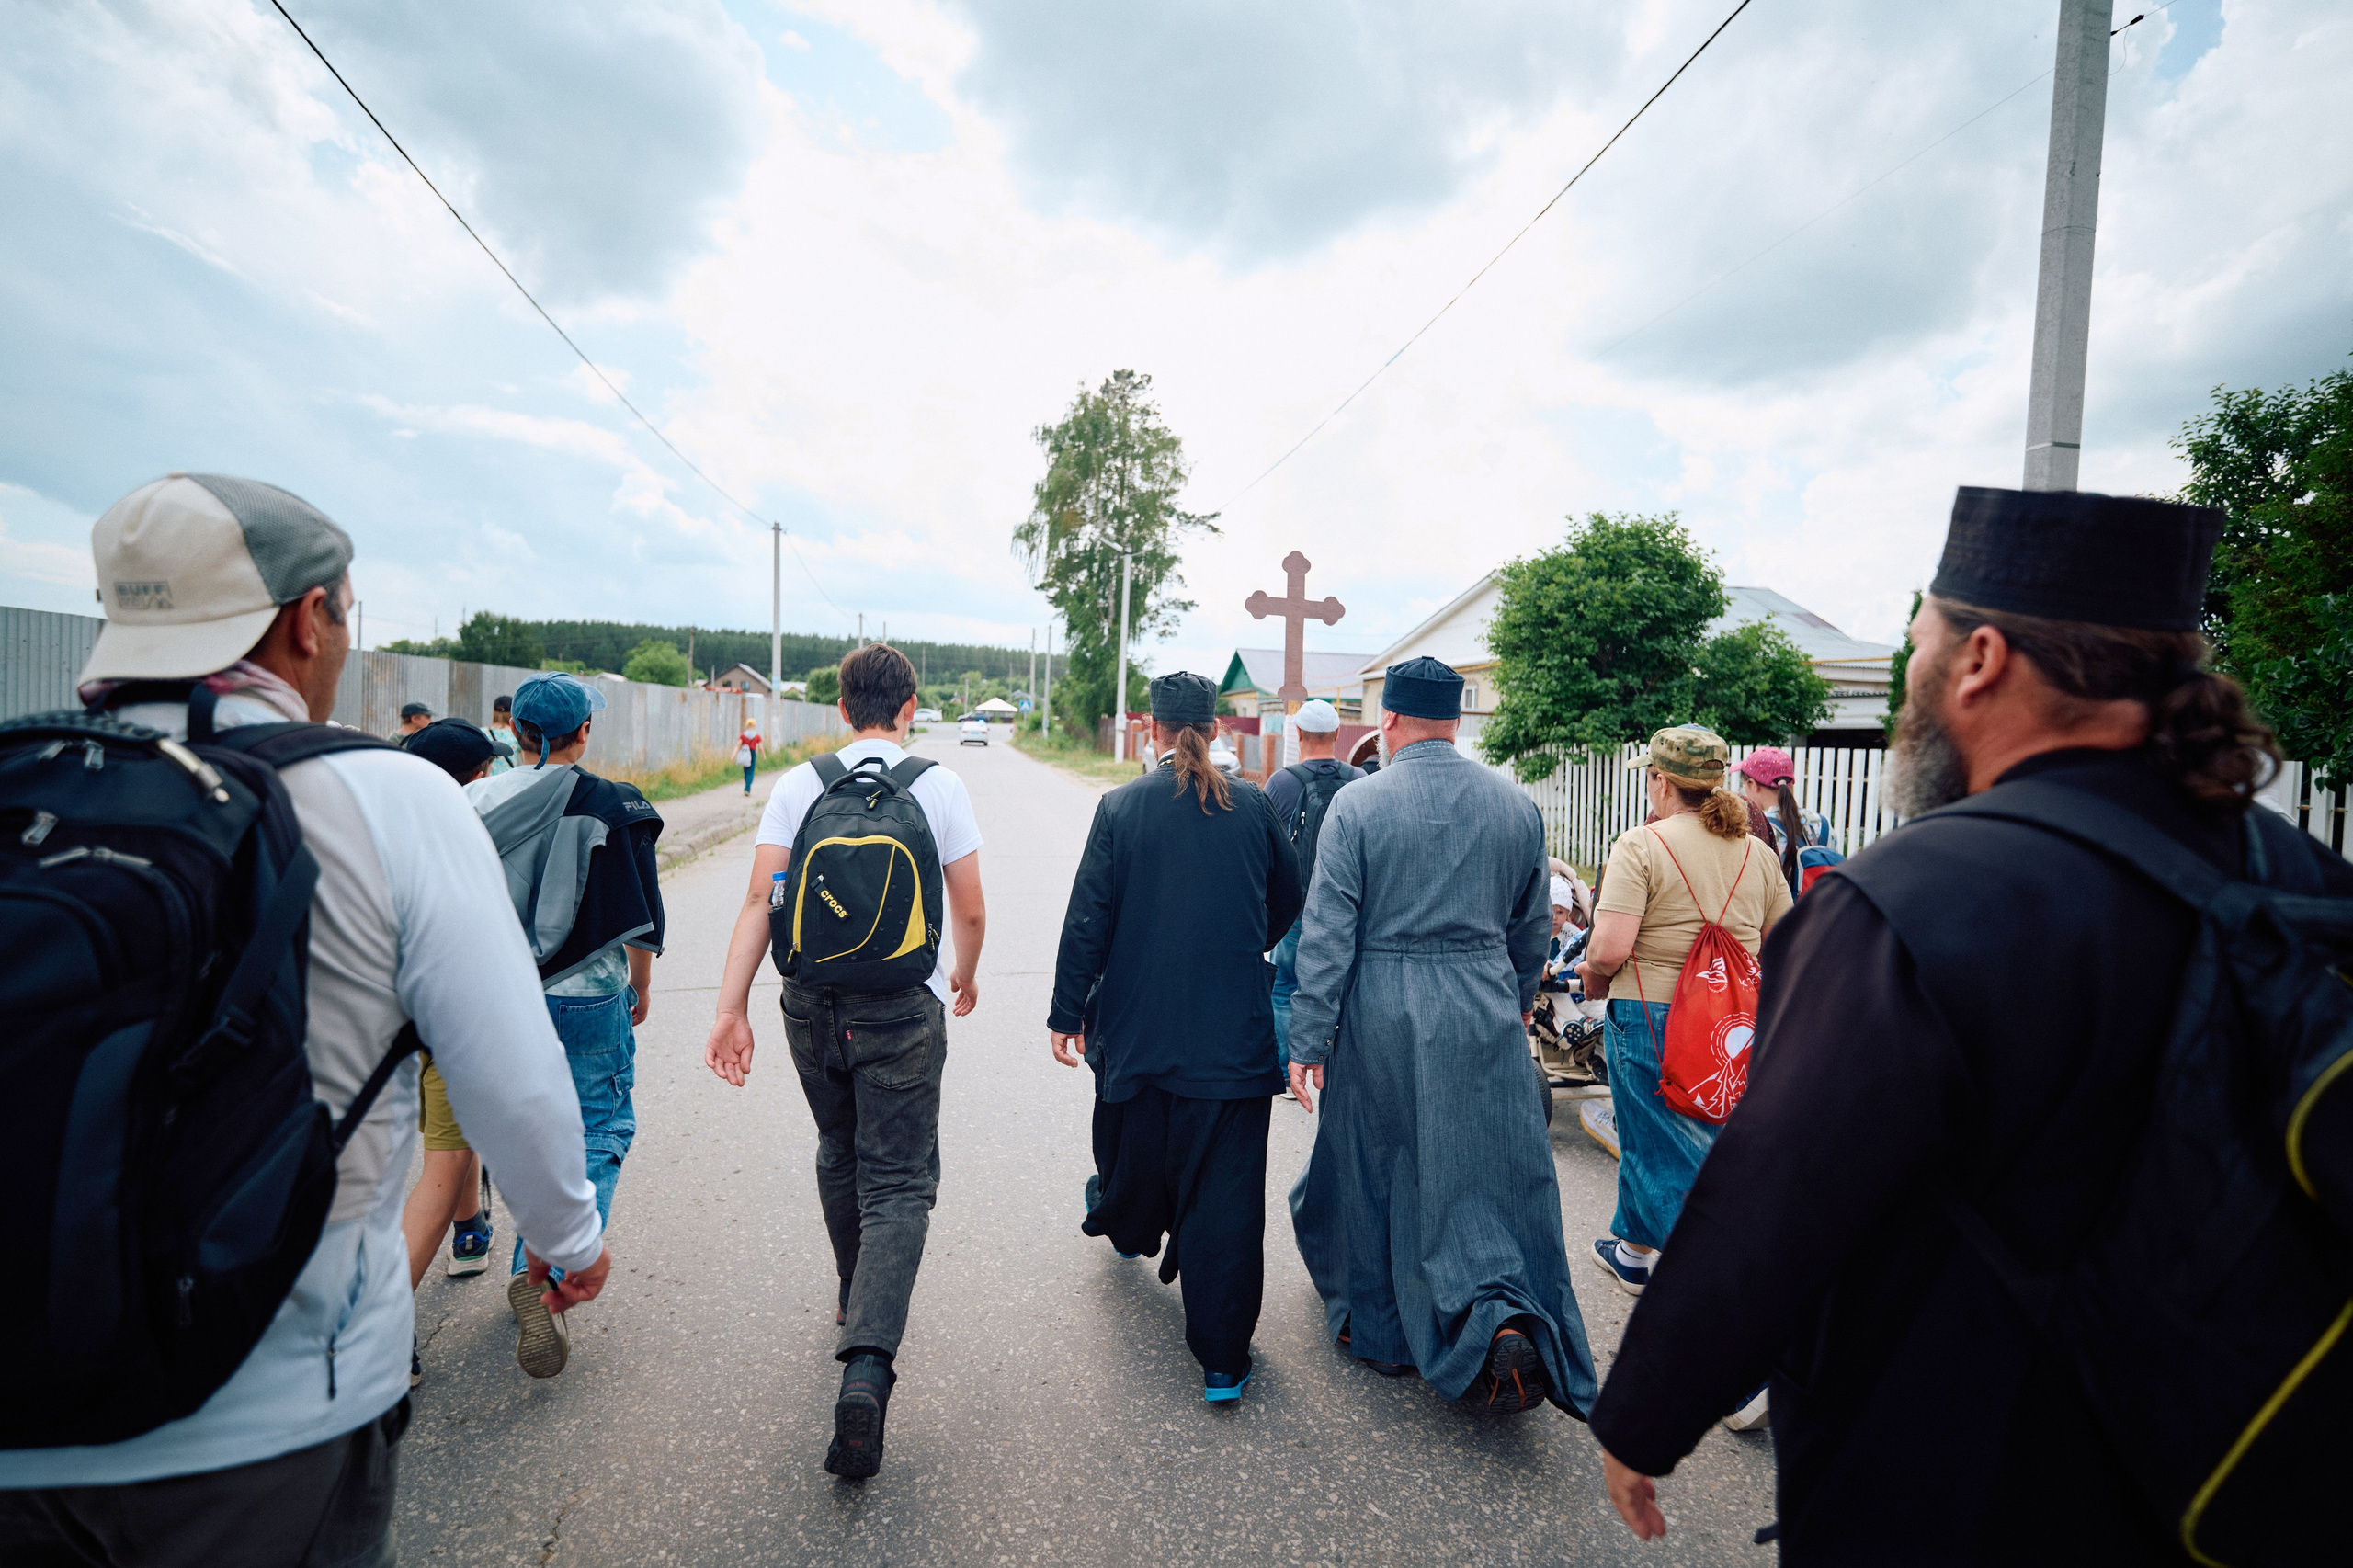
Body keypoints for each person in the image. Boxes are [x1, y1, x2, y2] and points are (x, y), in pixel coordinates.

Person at [1589, 486, 2353, 1562]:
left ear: (1981, 658)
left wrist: (1647, 1411)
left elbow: (1778, 1193)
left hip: (1971, 1462)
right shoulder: (2301, 876)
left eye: (1918, 643)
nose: (1911, 677)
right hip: (2241, 1466)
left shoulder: (1917, 895)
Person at [0, 473, 608, 1565]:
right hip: (273, 1411)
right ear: (304, 618)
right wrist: (569, 1238)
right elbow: (510, 1078)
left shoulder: (20, 784)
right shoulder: (384, 797)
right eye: (344, 614)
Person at [704, 643, 986, 1479]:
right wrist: (961, 977)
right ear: (909, 707)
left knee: (839, 1147)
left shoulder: (800, 783)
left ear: (840, 708)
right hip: (903, 1008)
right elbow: (967, 907)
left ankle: (851, 1286)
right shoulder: (936, 784)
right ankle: (867, 1367)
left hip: (812, 1009)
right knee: (898, 1180)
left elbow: (762, 900)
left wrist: (729, 1008)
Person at [1286, 657, 1596, 1416]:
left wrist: (1308, 1040)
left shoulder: (1358, 808)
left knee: (1376, 1163)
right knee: (1485, 1169)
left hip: (1381, 1007)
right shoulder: (1515, 807)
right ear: (1457, 721)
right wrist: (1514, 1001)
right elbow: (1532, 928)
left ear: (1387, 720)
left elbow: (1328, 935)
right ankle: (1503, 1315)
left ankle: (1383, 1335)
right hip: (1482, 998)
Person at [1048, 672, 1303, 1404]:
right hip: (1233, 1036)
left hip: (1138, 1029)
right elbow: (1287, 898)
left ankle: (1127, 1223)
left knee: (1135, 1146)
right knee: (1226, 1198)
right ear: (1217, 728)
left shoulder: (1121, 807)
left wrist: (1068, 1013)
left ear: (1153, 730)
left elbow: (1087, 920)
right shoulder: (1253, 807)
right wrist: (1241, 941)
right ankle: (1223, 1362)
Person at [1579, 725, 1790, 1429]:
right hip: (1732, 1025)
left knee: (1673, 1164)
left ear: (1662, 782)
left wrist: (1590, 978)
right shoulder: (1758, 853)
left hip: (1652, 1014)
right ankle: (1632, 1252)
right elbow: (1789, 941)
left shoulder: (1643, 844)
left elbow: (1608, 944)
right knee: (1660, 1142)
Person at [462, 672, 665, 1381]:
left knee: (521, 1129)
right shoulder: (613, 804)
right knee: (601, 1127)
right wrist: (640, 989)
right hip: (588, 996)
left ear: (514, 732)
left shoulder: (468, 802)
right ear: (583, 732)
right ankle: (540, 1278)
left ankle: (525, 1265)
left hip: (496, 998)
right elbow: (641, 915)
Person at [1263, 699, 1361, 1096]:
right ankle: (1343, 1072)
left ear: (1298, 735)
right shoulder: (1360, 780)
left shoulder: (1282, 783)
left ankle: (1290, 1074)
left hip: (1295, 908)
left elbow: (1263, 851)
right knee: (1348, 989)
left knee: (1286, 986)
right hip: (1351, 909)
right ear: (1338, 735)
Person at [1733, 746, 1831, 898]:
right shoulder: (1822, 824)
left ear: (1753, 785)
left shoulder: (1759, 829)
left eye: (1744, 785)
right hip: (1818, 914)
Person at [487, 693, 519, 775]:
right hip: (510, 780)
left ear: (493, 711)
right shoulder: (516, 734)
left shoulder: (481, 733)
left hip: (487, 781)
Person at [735, 717, 761, 795]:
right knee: (751, 771)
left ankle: (746, 786)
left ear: (747, 725)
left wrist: (733, 756)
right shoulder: (757, 736)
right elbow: (760, 747)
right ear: (754, 726)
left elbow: (738, 746)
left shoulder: (743, 736)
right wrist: (763, 755)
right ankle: (747, 788)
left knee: (746, 771)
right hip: (752, 753)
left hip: (744, 754)